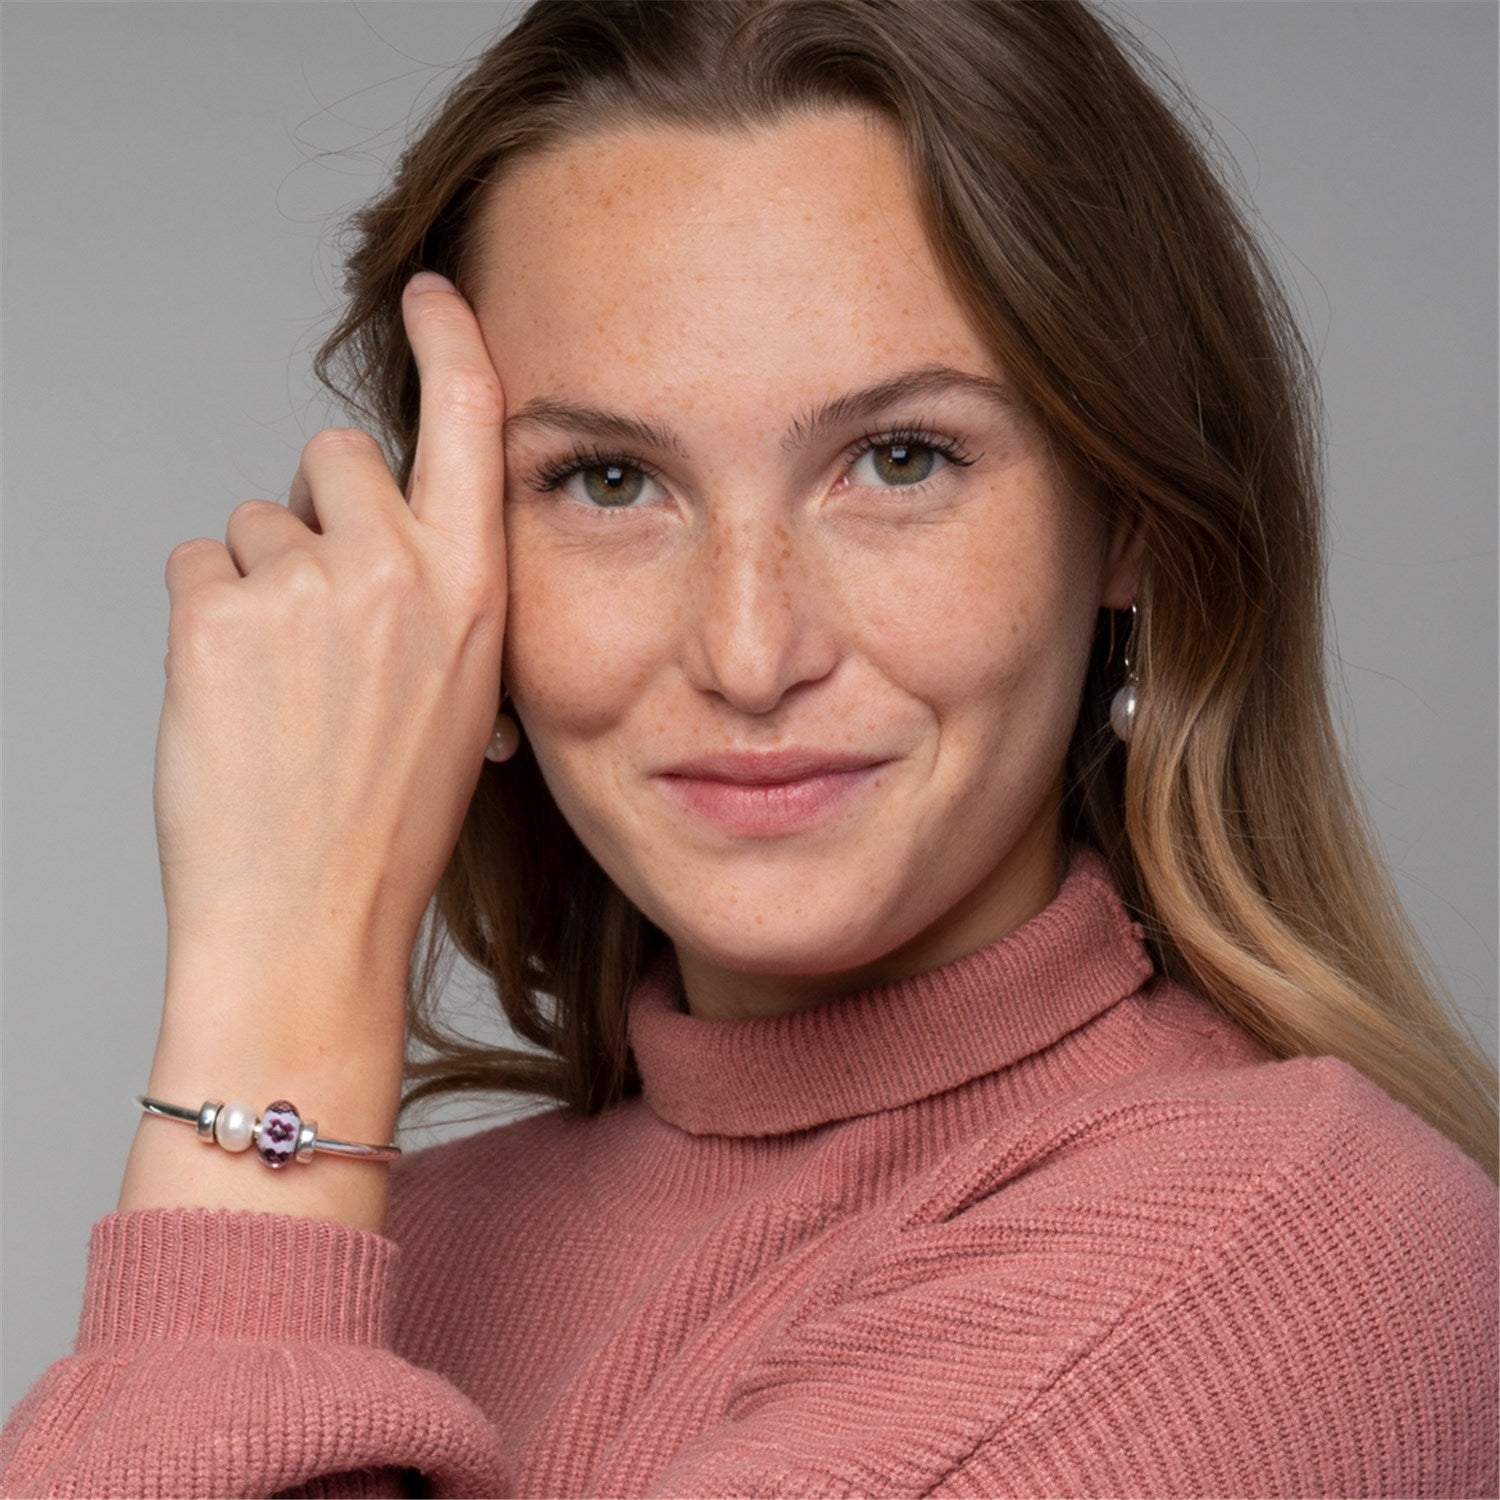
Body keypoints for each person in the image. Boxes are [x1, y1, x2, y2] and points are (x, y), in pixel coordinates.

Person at [2, 0, 1495, 1494]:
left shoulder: (1293, 1253)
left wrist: (282, 987)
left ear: (1130, 519)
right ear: (454, 573)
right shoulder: (361, 1257)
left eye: (900, 459)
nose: (750, 651)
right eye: (606, 480)